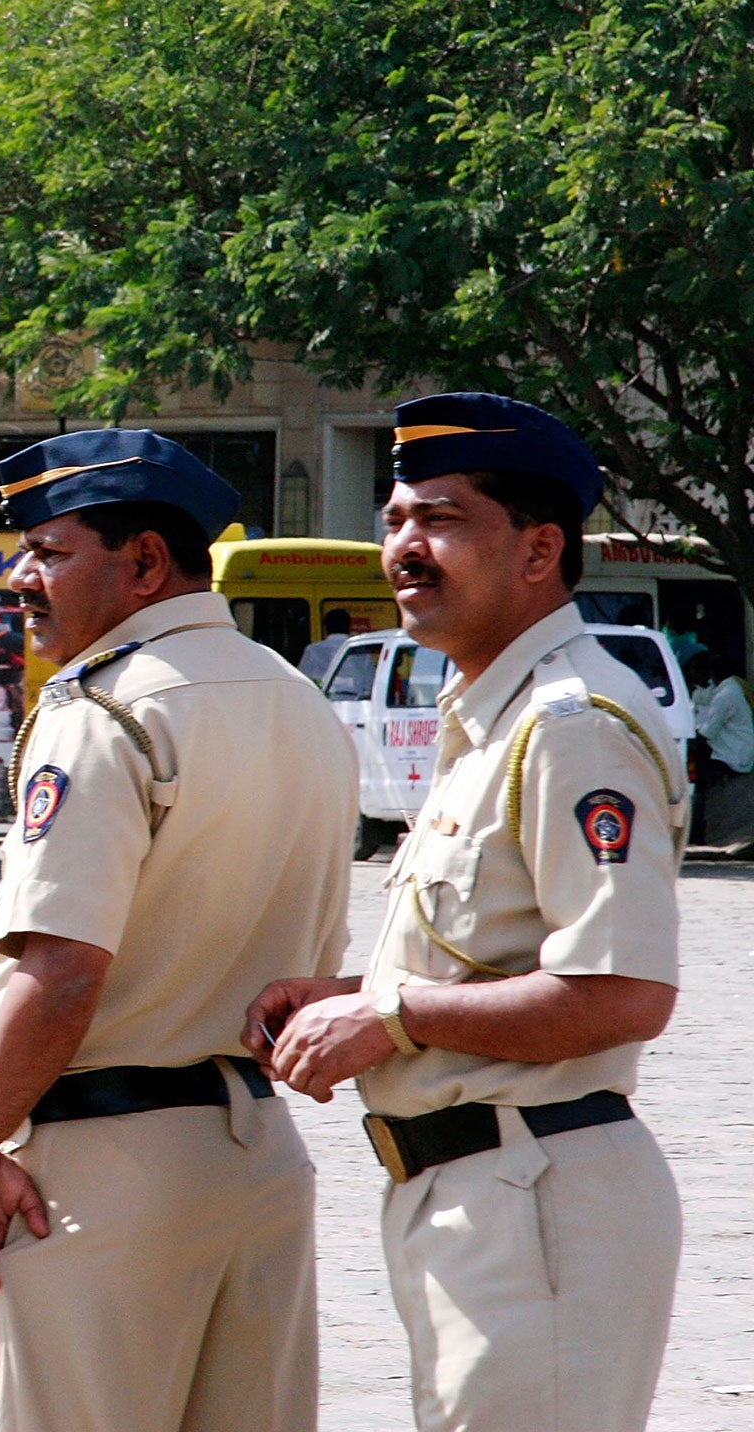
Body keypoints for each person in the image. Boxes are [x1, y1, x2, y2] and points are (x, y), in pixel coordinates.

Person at [249, 392, 686, 1432]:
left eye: (439, 520)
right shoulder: (487, 719)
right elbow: (497, 960)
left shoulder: (568, 724)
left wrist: (390, 1017)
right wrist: (353, 997)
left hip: (535, 1194)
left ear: (539, 550)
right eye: (393, 519)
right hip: (472, 1194)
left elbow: (621, 993)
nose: (404, 546)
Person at [0, 428, 359, 1432]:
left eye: (48, 551)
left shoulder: (107, 712)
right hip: (256, 1156)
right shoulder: (299, 700)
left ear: (141, 562)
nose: (21, 578)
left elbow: (60, 973)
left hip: (103, 1167)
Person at [687, 650, 754, 787]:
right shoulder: (729, 687)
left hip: (735, 753)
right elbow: (707, 698)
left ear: (712, 673)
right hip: (739, 746)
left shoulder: (726, 695)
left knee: (697, 751)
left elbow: (708, 732)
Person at [298, 606, 353, 683]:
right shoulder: (360, 650)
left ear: (326, 627)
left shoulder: (313, 649)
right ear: (349, 625)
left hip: (323, 693)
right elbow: (369, 679)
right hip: (355, 694)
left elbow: (303, 678)